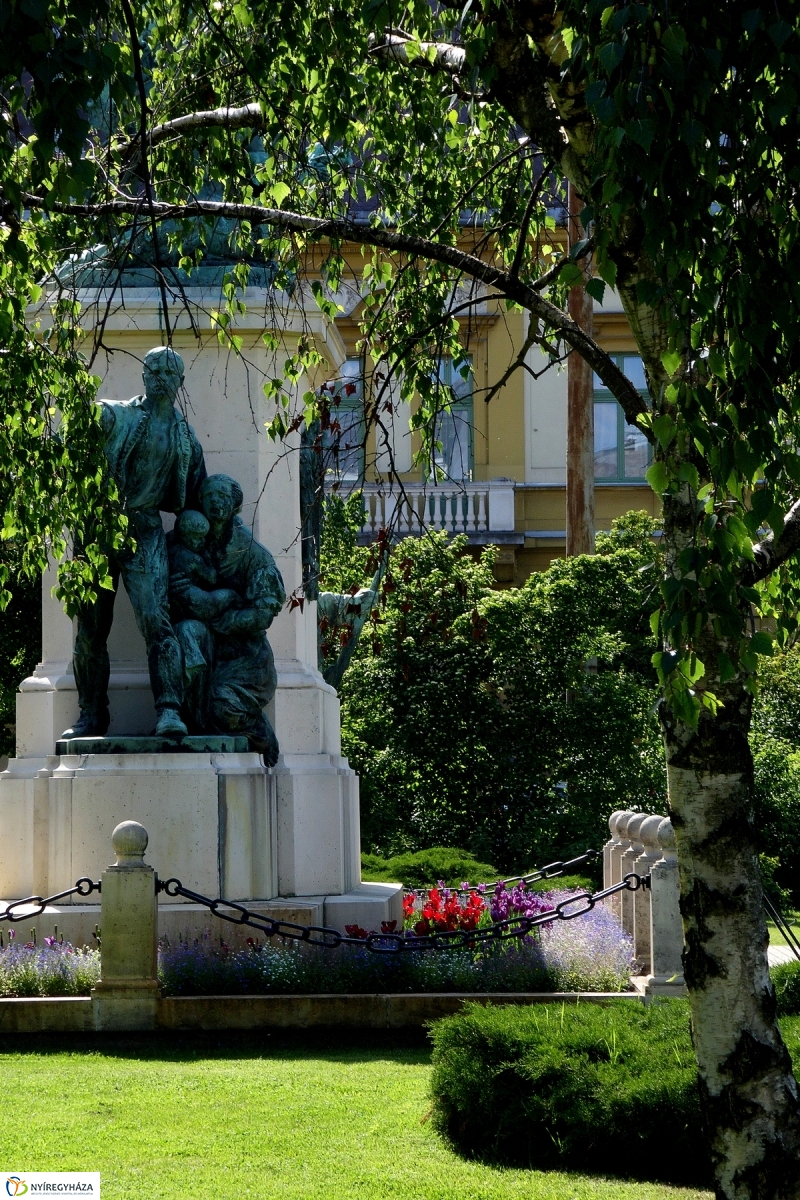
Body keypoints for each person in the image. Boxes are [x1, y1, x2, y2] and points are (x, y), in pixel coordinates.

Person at [62, 347, 206, 739]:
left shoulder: (185, 438)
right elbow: (77, 441)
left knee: (157, 622)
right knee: (90, 629)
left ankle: (170, 710)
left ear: (179, 382)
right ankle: (92, 713)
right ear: (143, 376)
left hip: (144, 530)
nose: (160, 376)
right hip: (99, 530)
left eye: (169, 371)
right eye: (154, 369)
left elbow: (196, 500)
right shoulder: (114, 415)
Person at [170, 474, 285, 764]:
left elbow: (264, 610)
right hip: (207, 644)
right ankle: (183, 717)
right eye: (208, 496)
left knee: (222, 709)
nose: (214, 502)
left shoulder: (252, 553)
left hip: (244, 657)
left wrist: (228, 620)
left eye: (221, 496)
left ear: (234, 504)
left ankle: (257, 730)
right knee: (187, 631)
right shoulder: (188, 540)